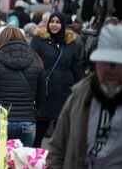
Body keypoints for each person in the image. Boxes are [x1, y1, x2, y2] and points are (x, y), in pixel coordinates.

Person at [48, 25, 122, 168]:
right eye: (106, 63)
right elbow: (57, 149)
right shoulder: (80, 95)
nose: (111, 71)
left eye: (118, 64)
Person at [0, 27, 46, 147]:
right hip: (27, 122)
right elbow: (42, 94)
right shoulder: (36, 61)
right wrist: (33, 112)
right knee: (21, 162)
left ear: (1, 40)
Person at [31, 11, 83, 147]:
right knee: (39, 129)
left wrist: (82, 88)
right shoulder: (39, 40)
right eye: (52, 21)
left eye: (58, 22)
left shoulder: (71, 43)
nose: (54, 25)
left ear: (63, 24)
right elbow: (32, 64)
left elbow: (76, 67)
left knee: (63, 130)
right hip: (45, 90)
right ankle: (33, 159)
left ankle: (59, 161)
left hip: (64, 91)